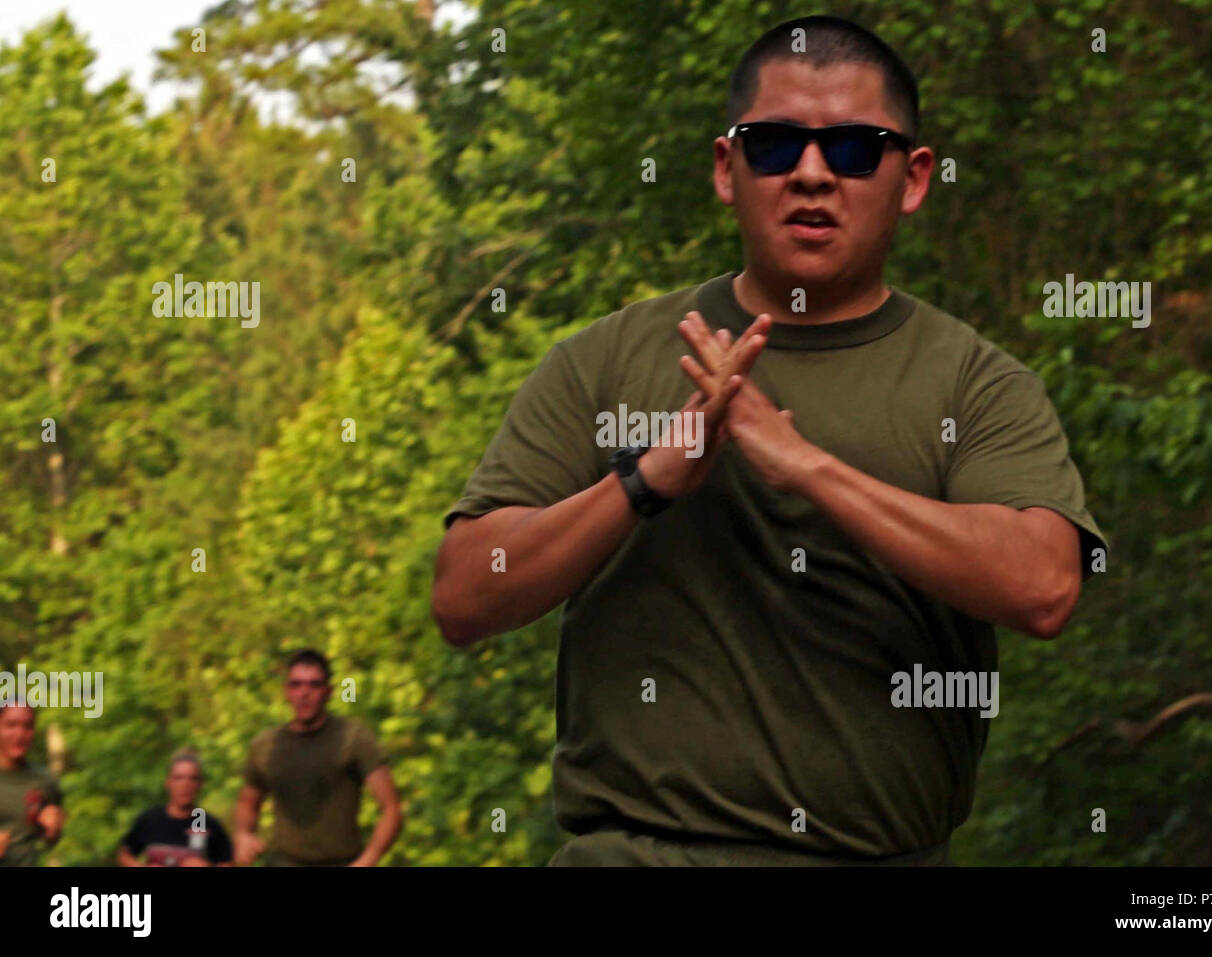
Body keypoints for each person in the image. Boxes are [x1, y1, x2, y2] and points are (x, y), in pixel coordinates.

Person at [433, 14, 1108, 865]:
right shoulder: (606, 359)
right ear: (727, 167)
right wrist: (648, 479)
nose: (814, 175)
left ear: (913, 177)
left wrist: (809, 467)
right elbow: (464, 596)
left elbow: (1043, 585)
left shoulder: (974, 381)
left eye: (857, 149)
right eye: (776, 145)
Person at [234, 649, 402, 866]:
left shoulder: (353, 739)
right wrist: (243, 834)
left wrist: (369, 858)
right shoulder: (266, 745)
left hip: (341, 861)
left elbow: (391, 808)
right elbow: (247, 801)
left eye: (314, 685)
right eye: (296, 684)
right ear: (287, 691)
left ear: (328, 692)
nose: (304, 693)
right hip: (283, 861)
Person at [118, 748, 234, 866]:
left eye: (192, 778)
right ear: (168, 782)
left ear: (200, 784)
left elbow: (227, 862)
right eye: (178, 778)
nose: (185, 784)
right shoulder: (149, 820)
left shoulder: (210, 824)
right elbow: (125, 854)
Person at [0, 703, 64, 867]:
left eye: (28, 726)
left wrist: (52, 832)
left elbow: (50, 841)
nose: (20, 734)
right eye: (11, 725)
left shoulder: (45, 780)